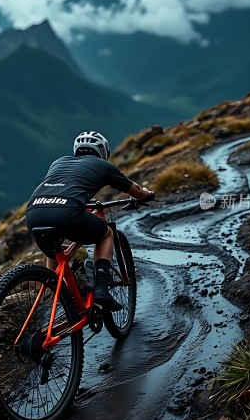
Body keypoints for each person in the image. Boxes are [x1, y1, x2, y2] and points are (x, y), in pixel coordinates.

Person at [26, 131, 154, 311]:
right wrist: (148, 194)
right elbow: (137, 191)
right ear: (103, 151)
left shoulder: (59, 162)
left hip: (34, 213)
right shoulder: (103, 165)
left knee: (55, 252)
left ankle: (59, 296)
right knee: (106, 234)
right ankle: (101, 287)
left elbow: (65, 186)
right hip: (67, 212)